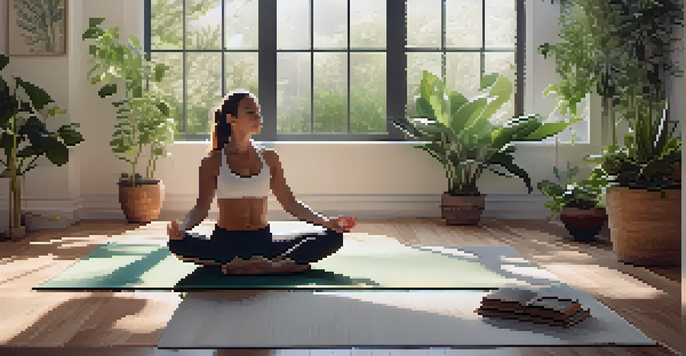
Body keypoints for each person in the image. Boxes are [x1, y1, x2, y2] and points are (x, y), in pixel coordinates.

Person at [167, 90, 357, 275]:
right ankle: (265, 264)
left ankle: (266, 267)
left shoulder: (269, 157)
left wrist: (325, 221)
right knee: (177, 243)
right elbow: (201, 209)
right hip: (226, 242)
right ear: (231, 119)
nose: (257, 117)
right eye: (250, 112)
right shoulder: (213, 161)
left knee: (333, 237)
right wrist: (182, 229)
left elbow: (290, 203)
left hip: (263, 241)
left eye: (258, 112)